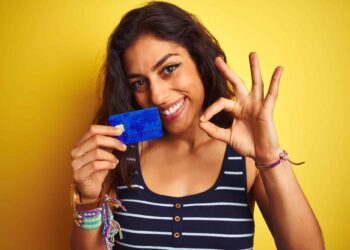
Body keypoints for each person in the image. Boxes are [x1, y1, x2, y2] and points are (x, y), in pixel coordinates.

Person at [70, 1, 324, 249]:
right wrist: (89, 199)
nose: (157, 96)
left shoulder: (246, 158)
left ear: (200, 62)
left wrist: (269, 156)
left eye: (169, 68)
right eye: (139, 83)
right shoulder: (119, 157)